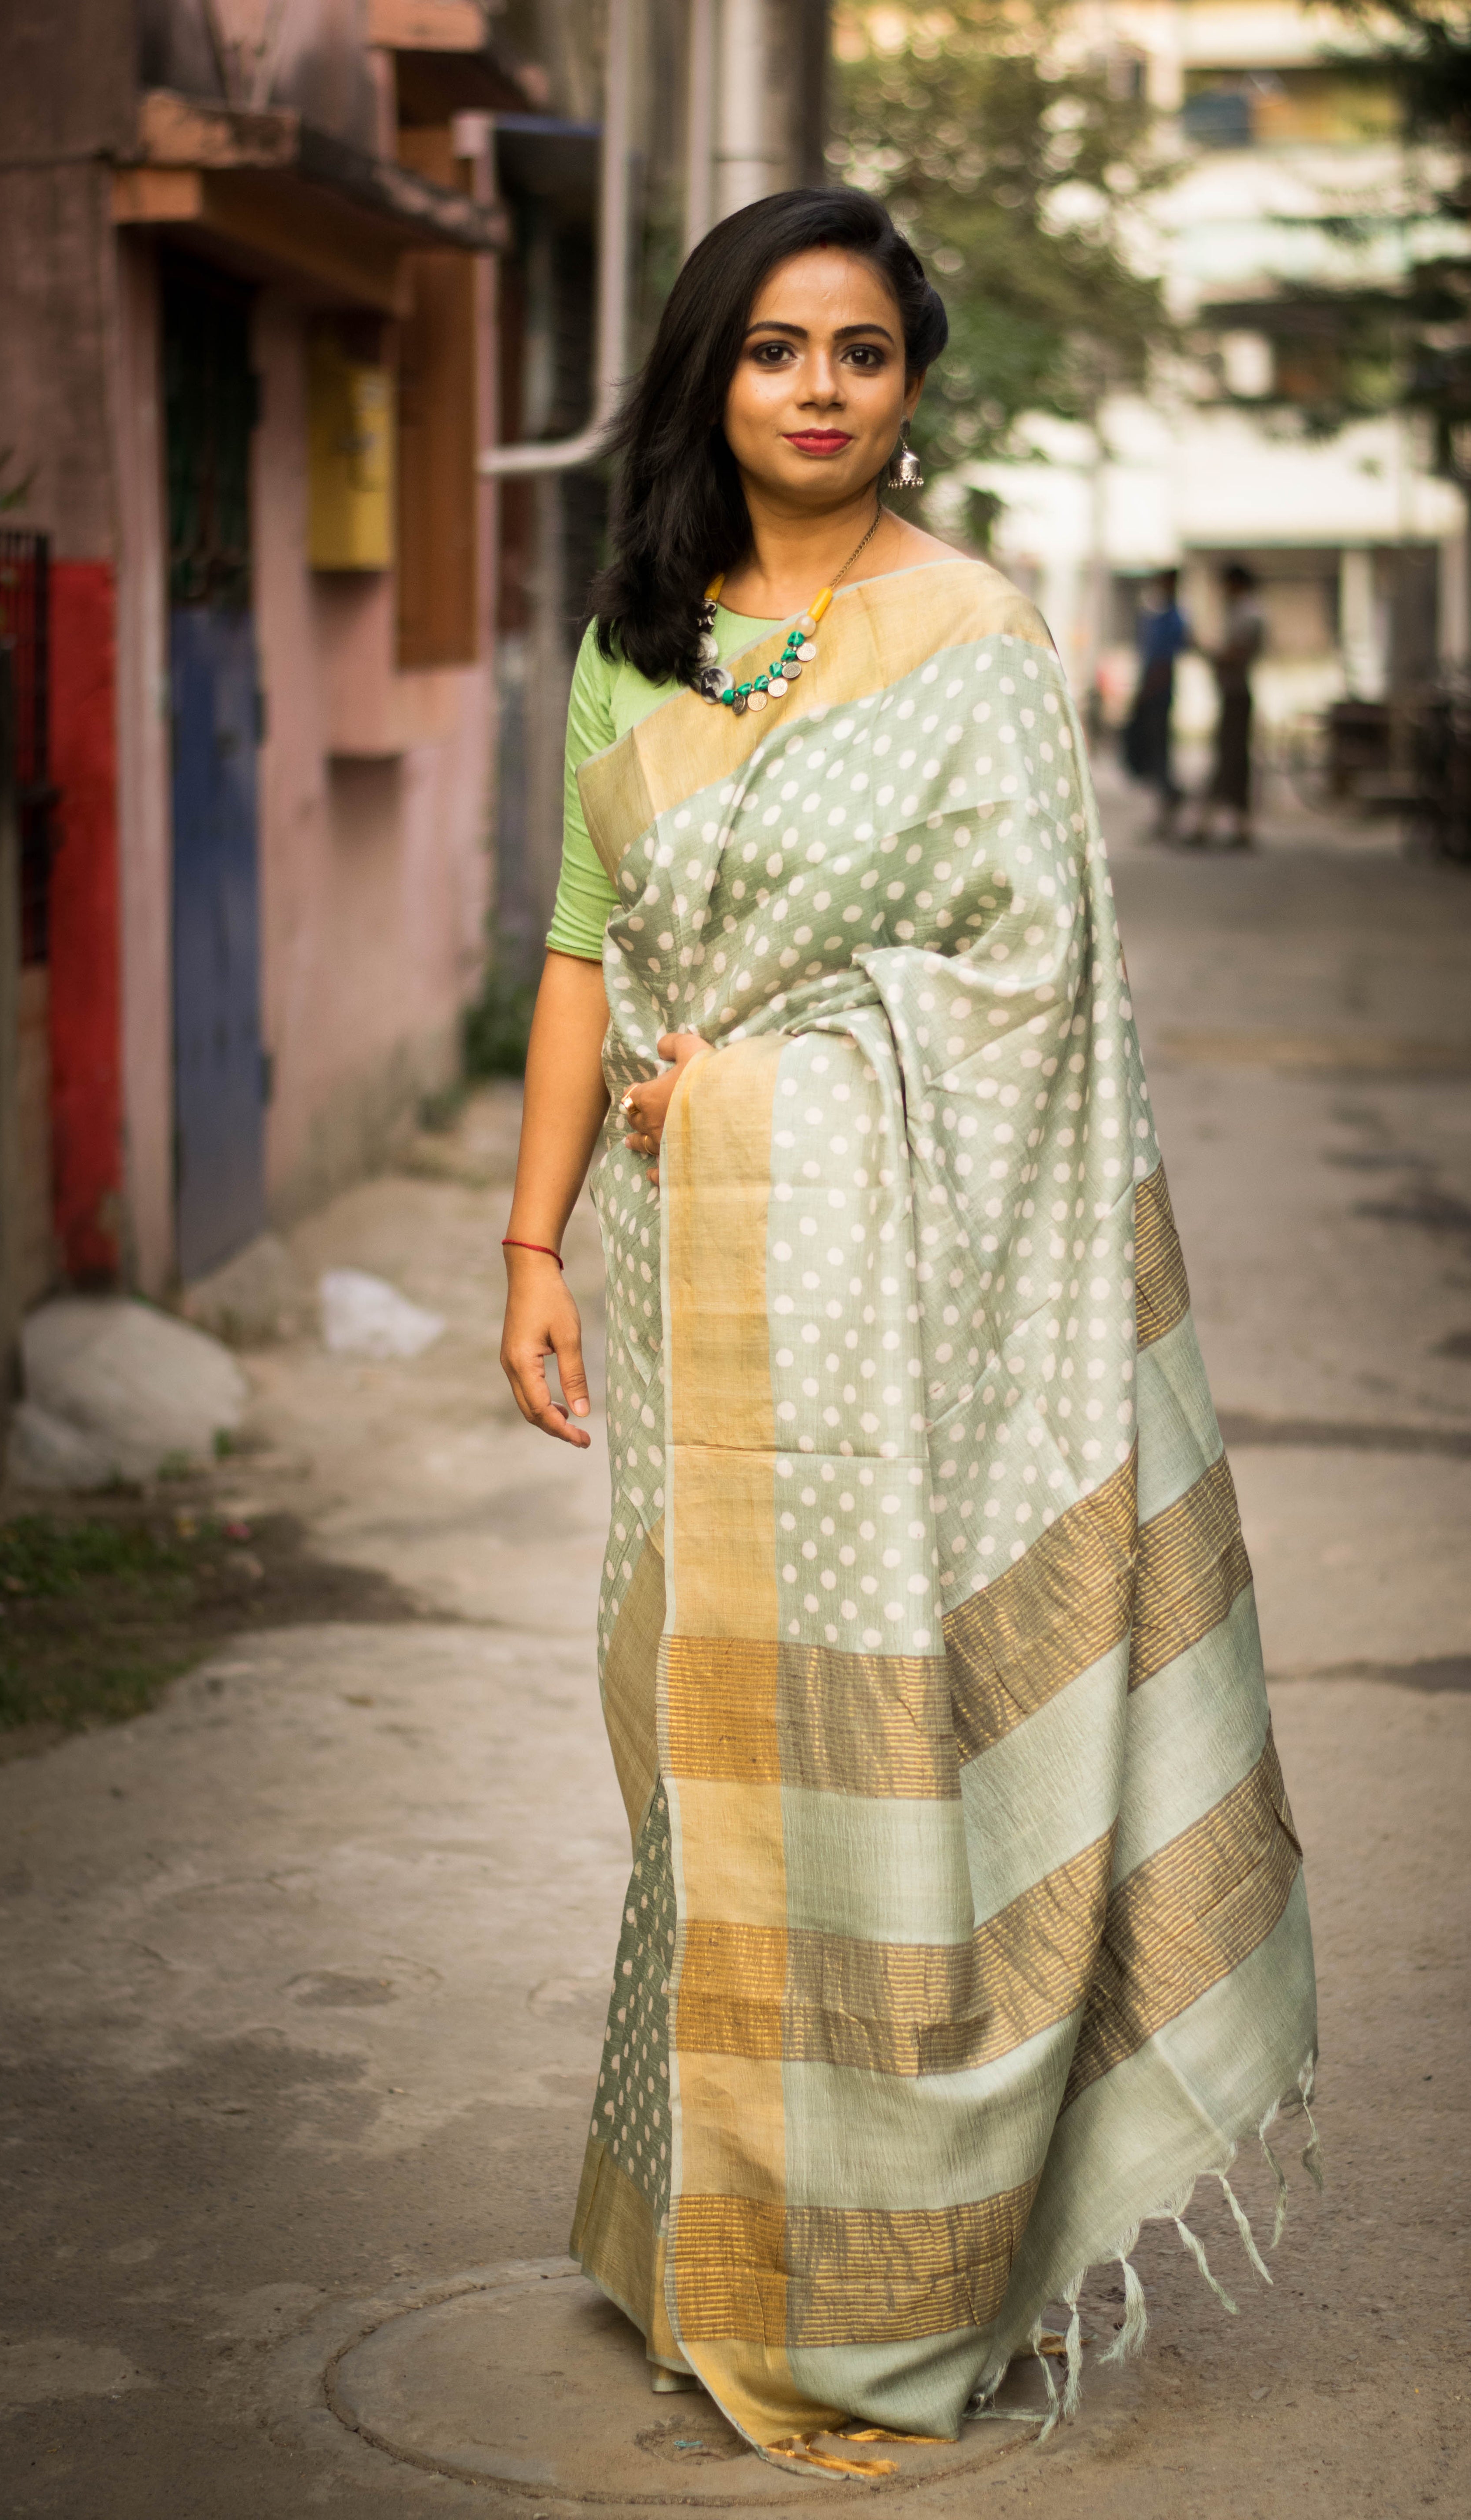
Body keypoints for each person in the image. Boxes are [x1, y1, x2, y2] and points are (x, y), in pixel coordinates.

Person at [498, 187, 1318, 2473]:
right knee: (698, 1747)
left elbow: (1028, 997)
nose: (820, 388)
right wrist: (531, 1244)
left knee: (909, 1740)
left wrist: (756, 1101)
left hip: (921, 1301)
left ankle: (897, 2274)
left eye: (861, 350)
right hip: (693, 1286)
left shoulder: (974, 642)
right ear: (711, 377)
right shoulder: (637, 649)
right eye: (776, 348)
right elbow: (578, 949)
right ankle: (712, 2242)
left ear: (913, 383)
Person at [1189, 560, 1265, 849]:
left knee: (1229, 761)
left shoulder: (1249, 613)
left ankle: (1210, 825)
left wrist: (1207, 652)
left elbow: (1236, 654)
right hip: (1233, 693)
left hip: (1237, 694)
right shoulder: (1242, 612)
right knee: (1232, 762)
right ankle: (1234, 826)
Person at [1121, 567, 1188, 837]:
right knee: (1154, 754)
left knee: (1159, 754)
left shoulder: (1174, 619)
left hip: (1158, 694)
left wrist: (1147, 693)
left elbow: (1163, 663)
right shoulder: (1158, 617)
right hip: (1152, 691)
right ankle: (1166, 810)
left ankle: (1170, 802)